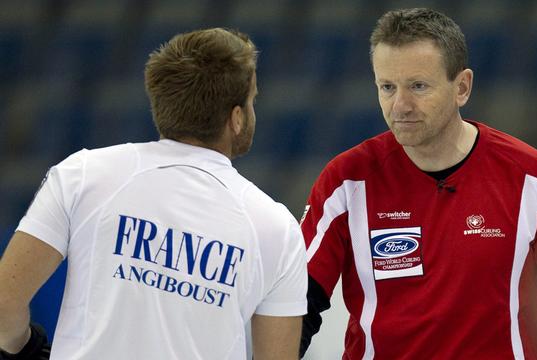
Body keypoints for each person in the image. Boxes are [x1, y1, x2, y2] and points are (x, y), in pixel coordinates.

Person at [300, 8, 537, 360]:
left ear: (461, 87)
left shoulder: (530, 177)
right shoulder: (346, 181)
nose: (400, 105)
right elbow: (297, 303)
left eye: (418, 86)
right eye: (387, 87)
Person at [0, 28, 307, 360]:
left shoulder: (84, 175)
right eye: (251, 101)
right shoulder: (276, 228)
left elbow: (4, 305)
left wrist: (27, 348)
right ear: (236, 118)